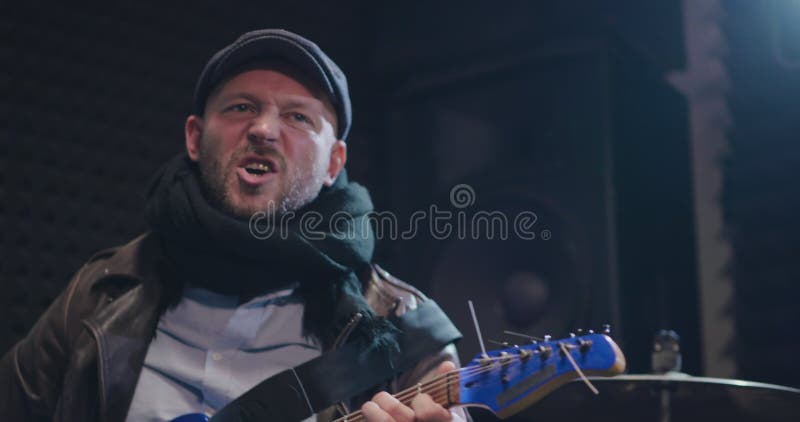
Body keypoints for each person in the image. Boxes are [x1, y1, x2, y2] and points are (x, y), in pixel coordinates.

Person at [0, 29, 468, 421]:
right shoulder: (100, 292)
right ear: (195, 138)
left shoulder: (403, 328)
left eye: (297, 116)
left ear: (334, 163)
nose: (264, 129)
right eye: (241, 107)